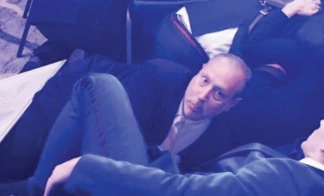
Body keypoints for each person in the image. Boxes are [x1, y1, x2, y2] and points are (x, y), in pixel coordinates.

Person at [36, 76, 324, 196]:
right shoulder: (318, 189)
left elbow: (177, 194)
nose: (321, 121)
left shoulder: (285, 178)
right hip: (172, 171)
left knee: (98, 85)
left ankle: (36, 187)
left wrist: (85, 167)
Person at [0, 54, 251, 186]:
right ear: (199, 71)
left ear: (231, 105)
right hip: (73, 92)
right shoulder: (158, 77)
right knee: (17, 161)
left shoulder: (218, 142)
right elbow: (103, 137)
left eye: (219, 94)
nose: (202, 96)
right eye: (204, 80)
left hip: (112, 156)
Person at [155, 0, 324, 102]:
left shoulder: (321, 31)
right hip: (184, 34)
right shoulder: (320, 17)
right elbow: (315, 40)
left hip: (192, 29)